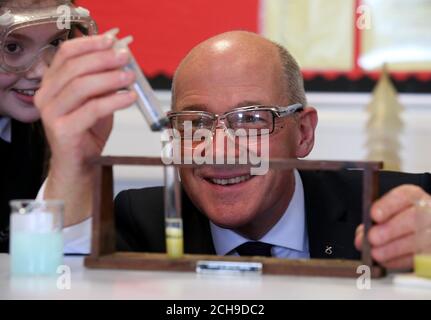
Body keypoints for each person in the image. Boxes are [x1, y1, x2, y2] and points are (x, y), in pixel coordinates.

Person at [35, 30, 431, 270]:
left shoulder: (388, 208)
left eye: (252, 120)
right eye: (195, 123)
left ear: (304, 133)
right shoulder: (140, 224)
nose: (219, 150)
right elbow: (52, 280)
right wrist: (73, 161)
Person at [0, 0, 96, 252]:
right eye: (12, 47)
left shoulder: (43, 130)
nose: (42, 72)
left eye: (55, 43)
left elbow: (52, 258)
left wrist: (73, 163)